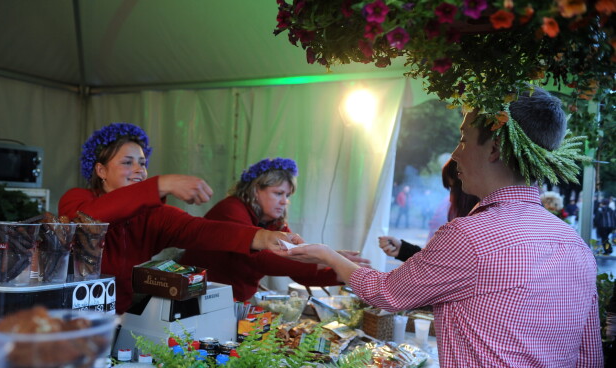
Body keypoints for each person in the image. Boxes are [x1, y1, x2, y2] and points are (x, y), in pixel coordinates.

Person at [280, 88, 603, 368]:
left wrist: (328, 254)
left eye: (463, 140)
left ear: (493, 148)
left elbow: (386, 293)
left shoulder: (470, 235)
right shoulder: (575, 245)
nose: (456, 154)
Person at [58, 123, 302, 314]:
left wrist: (264, 237)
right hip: (69, 318)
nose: (139, 170)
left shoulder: (153, 215)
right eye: (127, 162)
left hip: (122, 318)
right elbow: (90, 218)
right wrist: (163, 184)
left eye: (142, 163)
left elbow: (201, 231)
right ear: (100, 170)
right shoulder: (77, 198)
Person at [180, 157, 369, 301]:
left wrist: (346, 272)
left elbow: (298, 271)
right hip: (198, 297)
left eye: (287, 195)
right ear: (255, 190)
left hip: (231, 301)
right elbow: (262, 260)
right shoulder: (231, 209)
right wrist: (327, 258)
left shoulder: (273, 221)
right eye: (278, 193)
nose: (284, 201)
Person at [379, 159, 479, 260]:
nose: (450, 198)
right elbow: (436, 261)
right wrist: (402, 249)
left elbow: (436, 267)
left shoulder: (471, 236)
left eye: (453, 189)